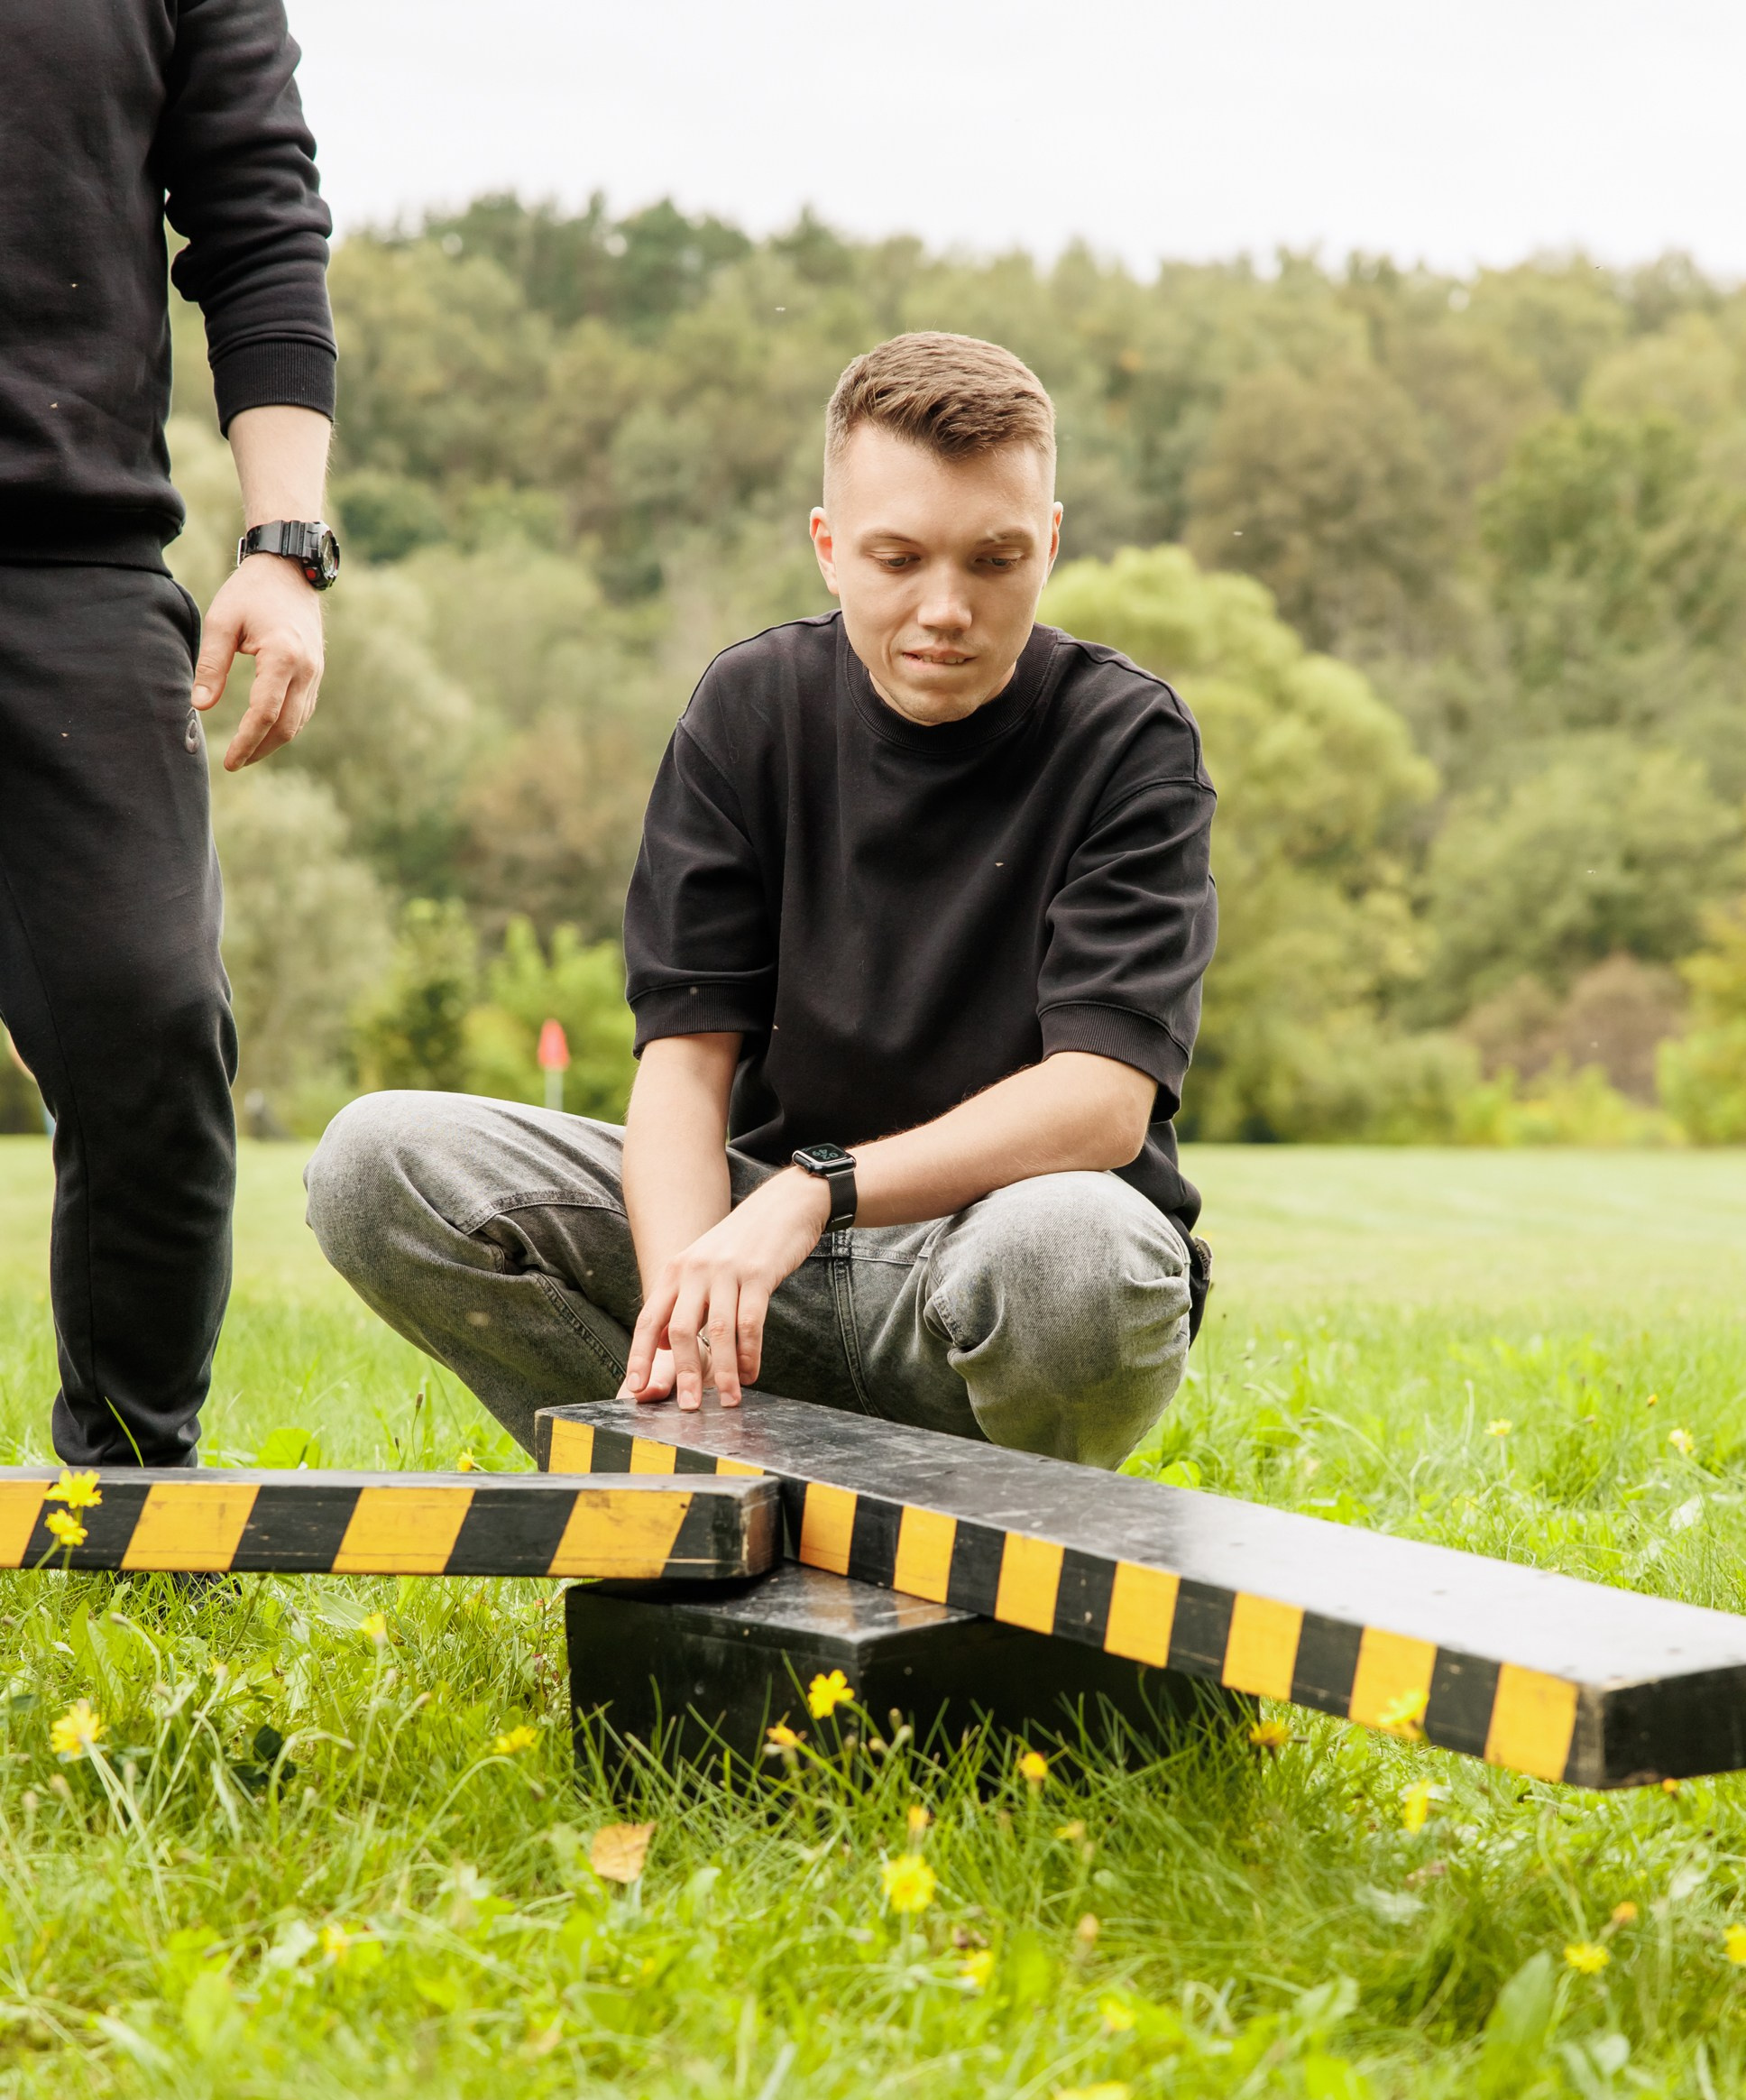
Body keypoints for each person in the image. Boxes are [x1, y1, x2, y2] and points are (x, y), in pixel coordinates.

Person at [308, 332, 1217, 1470]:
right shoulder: (749, 709)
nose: (945, 608)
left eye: (994, 562)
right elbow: (683, 1070)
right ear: (829, 549)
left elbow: (1099, 1107)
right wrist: (700, 1301)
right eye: (898, 560)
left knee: (1076, 1252)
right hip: (764, 1261)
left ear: (1050, 540)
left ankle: (1006, 1535)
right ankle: (699, 1473)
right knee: (374, 1160)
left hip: (982, 1261)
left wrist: (816, 1192)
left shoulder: (1127, 737)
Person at [0, 0, 337, 1468]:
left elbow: (257, 219)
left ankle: (133, 1491)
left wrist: (284, 542)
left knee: (153, 1024)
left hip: (67, 559)